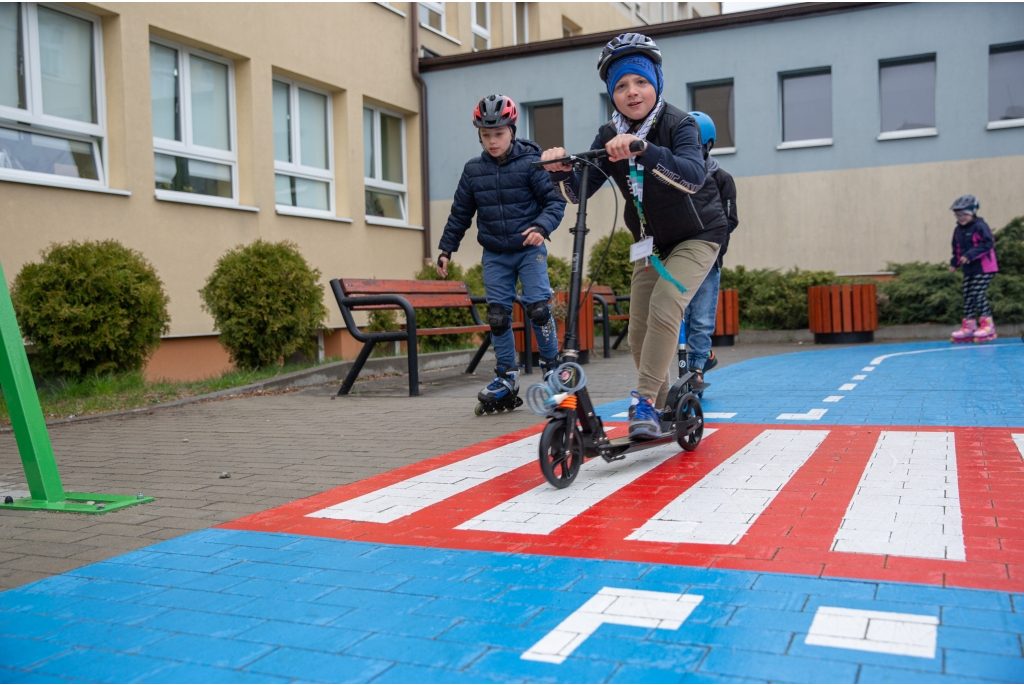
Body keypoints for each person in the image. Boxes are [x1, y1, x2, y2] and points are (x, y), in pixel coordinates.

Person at [541, 33, 729, 439]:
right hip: (650, 242)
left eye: (640, 82)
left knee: (666, 304)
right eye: (621, 85)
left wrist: (643, 149)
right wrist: (559, 171)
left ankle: (642, 399)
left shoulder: (681, 125)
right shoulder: (608, 133)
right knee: (638, 331)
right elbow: (579, 191)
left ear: (656, 82)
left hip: (698, 235)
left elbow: (694, 178)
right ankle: (662, 406)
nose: (632, 92)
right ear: (612, 93)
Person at [437, 94, 566, 411]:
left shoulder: (532, 163)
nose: (492, 141)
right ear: (479, 134)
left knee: (538, 308)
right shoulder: (473, 171)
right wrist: (446, 249)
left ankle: (553, 369)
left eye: (499, 134)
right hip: (494, 252)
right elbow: (460, 214)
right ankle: (507, 376)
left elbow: (555, 202)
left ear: (512, 130)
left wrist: (541, 228)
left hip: (528, 249)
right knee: (497, 317)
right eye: (485, 135)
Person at [682, 111, 738, 387]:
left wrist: (717, 250)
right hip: (679, 256)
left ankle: (696, 371)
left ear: (707, 145)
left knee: (701, 317)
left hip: (708, 258)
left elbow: (730, 220)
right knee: (687, 315)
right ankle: (703, 357)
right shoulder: (677, 176)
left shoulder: (721, 178)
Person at [948, 194, 999, 343]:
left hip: (985, 268)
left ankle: (988, 326)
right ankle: (969, 327)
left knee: (978, 293)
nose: (961, 218)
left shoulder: (980, 226)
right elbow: (957, 248)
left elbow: (988, 244)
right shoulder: (958, 230)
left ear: (972, 212)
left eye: (964, 214)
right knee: (967, 295)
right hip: (969, 269)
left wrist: (970, 255)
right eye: (958, 215)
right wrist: (954, 262)